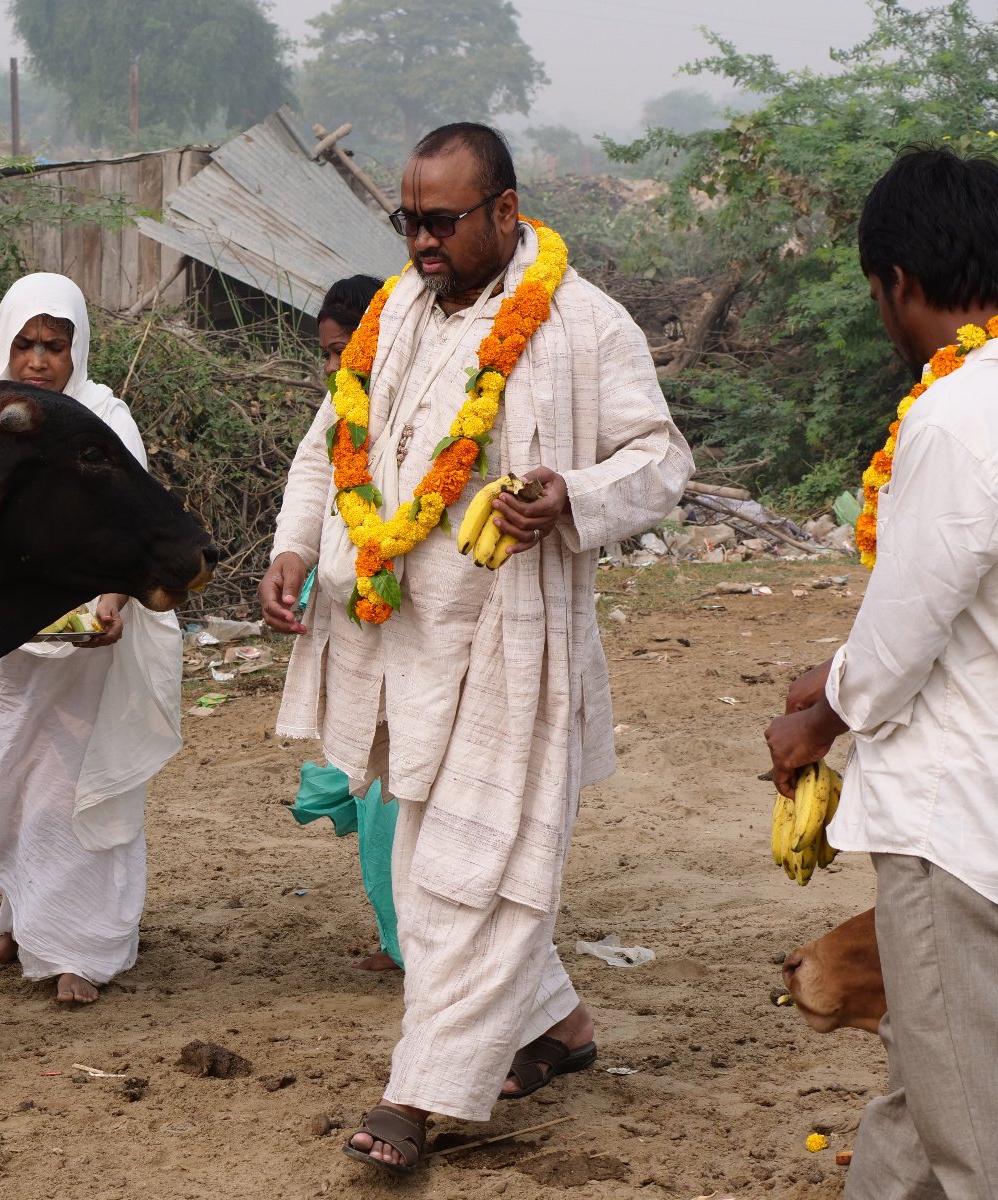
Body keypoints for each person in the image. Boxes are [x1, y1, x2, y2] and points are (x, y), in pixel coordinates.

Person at [259, 123, 692, 1172]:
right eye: (407, 219)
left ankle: (420, 1096)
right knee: (448, 865)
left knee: (456, 873)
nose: (419, 241)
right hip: (394, 638)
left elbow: (661, 460)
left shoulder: (583, 324)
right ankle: (558, 1029)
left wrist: (570, 493)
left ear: (505, 211)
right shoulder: (394, 312)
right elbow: (333, 441)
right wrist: (294, 544)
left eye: (440, 220)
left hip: (510, 643)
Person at [765, 147, 998, 1200]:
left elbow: (902, 634)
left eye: (877, 295)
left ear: (896, 284)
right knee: (933, 1079)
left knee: (992, 1137)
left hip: (954, 820)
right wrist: (842, 672)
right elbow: (991, 600)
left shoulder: (953, 417)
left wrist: (818, 716)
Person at [0, 272, 182, 1005]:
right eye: (26, 344)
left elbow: (135, 527)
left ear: (79, 349)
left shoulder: (106, 419)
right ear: (3, 344)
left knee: (75, 788)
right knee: (8, 787)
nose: (40, 360)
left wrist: (112, 595)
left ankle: (83, 949)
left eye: (56, 345)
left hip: (84, 645)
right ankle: (19, 925)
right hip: (3, 638)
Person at [288, 273, 404, 973]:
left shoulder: (436, 395)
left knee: (400, 793)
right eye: (325, 355)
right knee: (371, 784)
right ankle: (401, 940)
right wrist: (292, 555)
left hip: (412, 629)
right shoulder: (344, 403)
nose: (333, 368)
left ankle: (416, 945)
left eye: (342, 351)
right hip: (351, 623)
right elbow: (312, 469)